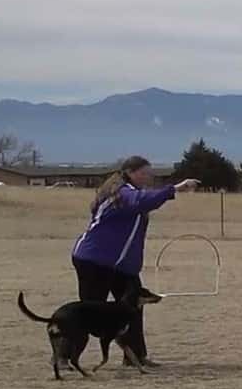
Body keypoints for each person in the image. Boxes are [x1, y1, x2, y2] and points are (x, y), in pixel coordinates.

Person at [71, 156, 200, 367]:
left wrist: (133, 269)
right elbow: (142, 200)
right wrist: (176, 188)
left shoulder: (130, 193)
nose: (148, 177)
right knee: (90, 312)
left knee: (133, 307)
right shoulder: (121, 194)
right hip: (94, 261)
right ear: (130, 172)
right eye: (144, 173)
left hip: (120, 265)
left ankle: (135, 357)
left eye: (150, 173)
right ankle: (65, 356)